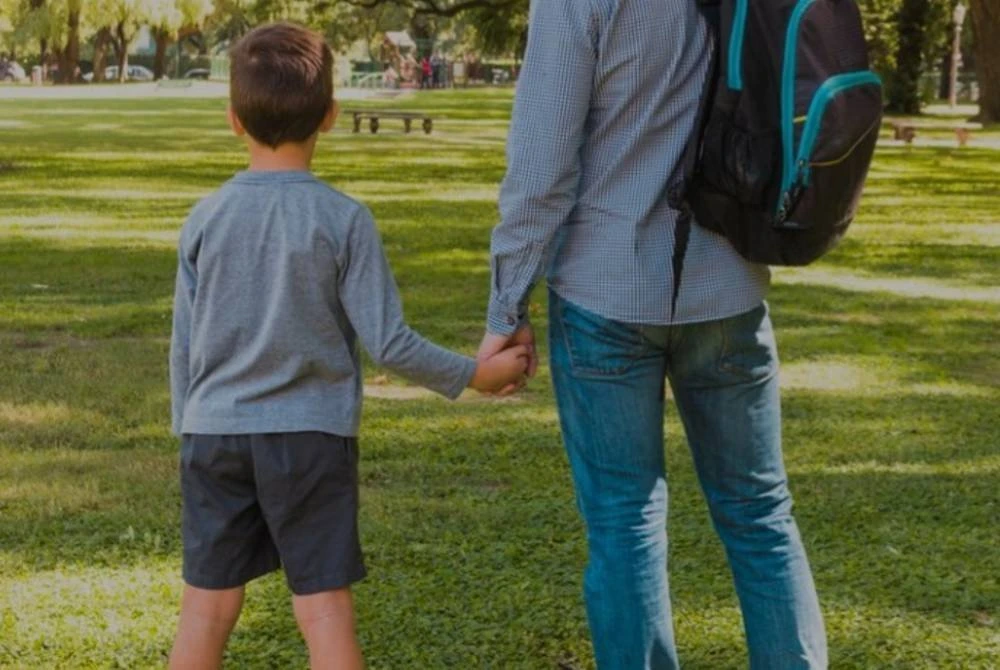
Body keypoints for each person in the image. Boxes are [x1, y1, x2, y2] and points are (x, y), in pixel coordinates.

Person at [168, 22, 529, 670]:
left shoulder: (204, 218)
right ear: (331, 116)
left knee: (205, 610)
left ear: (232, 119)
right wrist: (473, 376)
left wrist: (187, 428)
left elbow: (183, 344)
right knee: (323, 610)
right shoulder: (343, 220)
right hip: (309, 441)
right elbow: (388, 342)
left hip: (212, 435)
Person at [478, 1, 828, 668]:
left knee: (623, 522)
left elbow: (542, 166)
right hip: (727, 282)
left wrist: (505, 308)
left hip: (604, 289)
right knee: (759, 514)